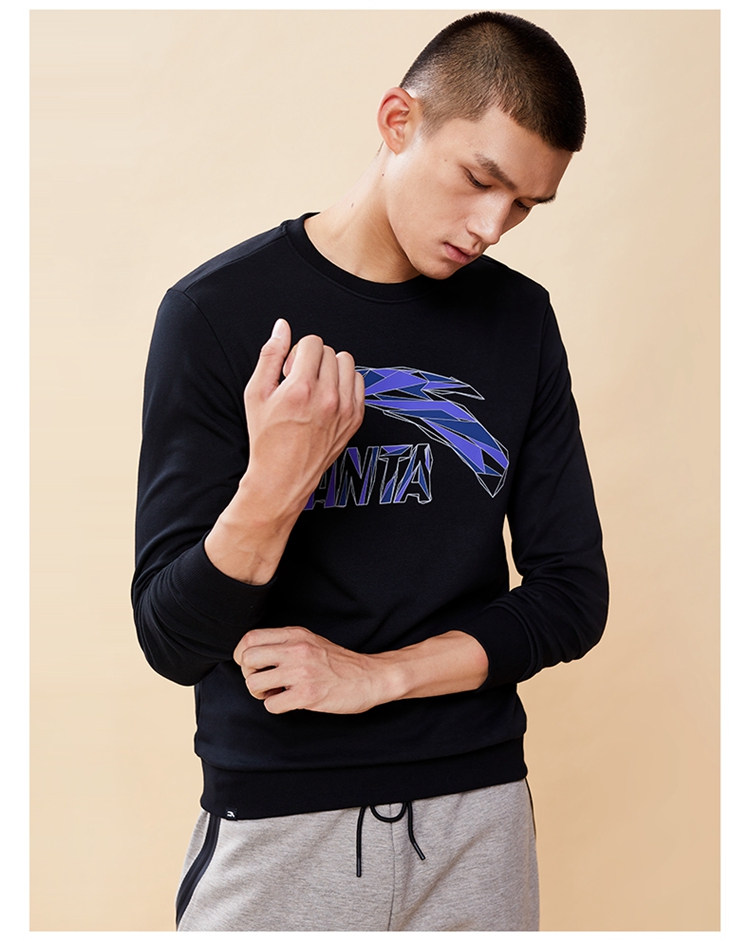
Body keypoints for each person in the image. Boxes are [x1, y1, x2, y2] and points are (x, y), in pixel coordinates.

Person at [132, 10, 608, 932]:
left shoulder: (519, 321)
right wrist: (276, 482)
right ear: (399, 121)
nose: (492, 226)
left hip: (478, 816)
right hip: (278, 819)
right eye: (480, 179)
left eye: (523, 205)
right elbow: (171, 639)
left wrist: (377, 675)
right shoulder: (216, 314)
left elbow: (572, 595)